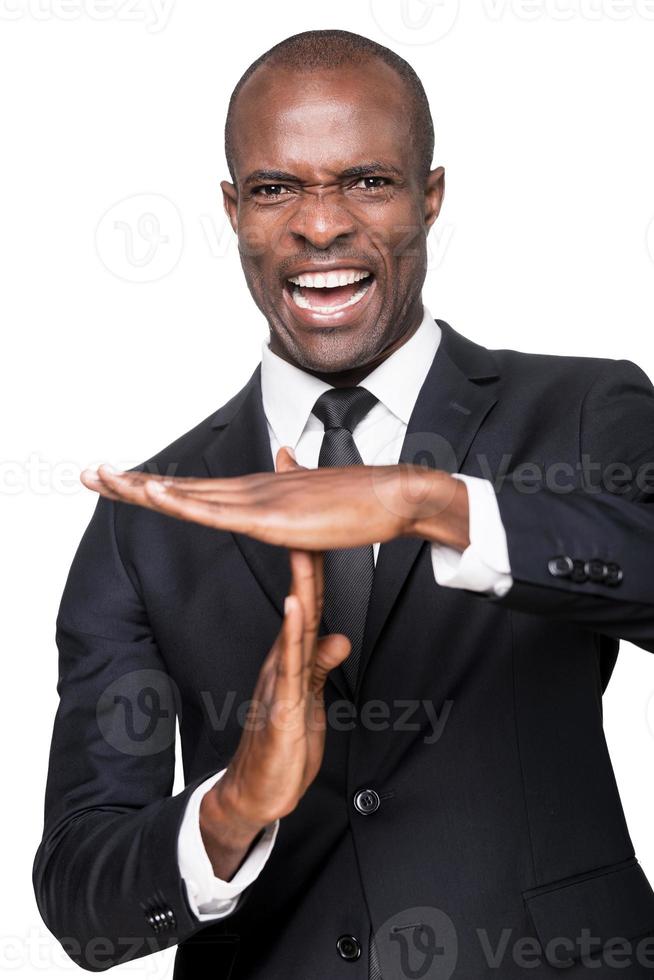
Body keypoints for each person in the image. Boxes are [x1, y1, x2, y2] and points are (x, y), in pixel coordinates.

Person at [33, 28, 654, 980]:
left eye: (367, 180)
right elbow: (84, 904)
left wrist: (433, 504)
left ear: (430, 197)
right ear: (234, 210)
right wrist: (234, 805)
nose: (321, 227)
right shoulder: (147, 517)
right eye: (278, 189)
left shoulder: (580, 412)